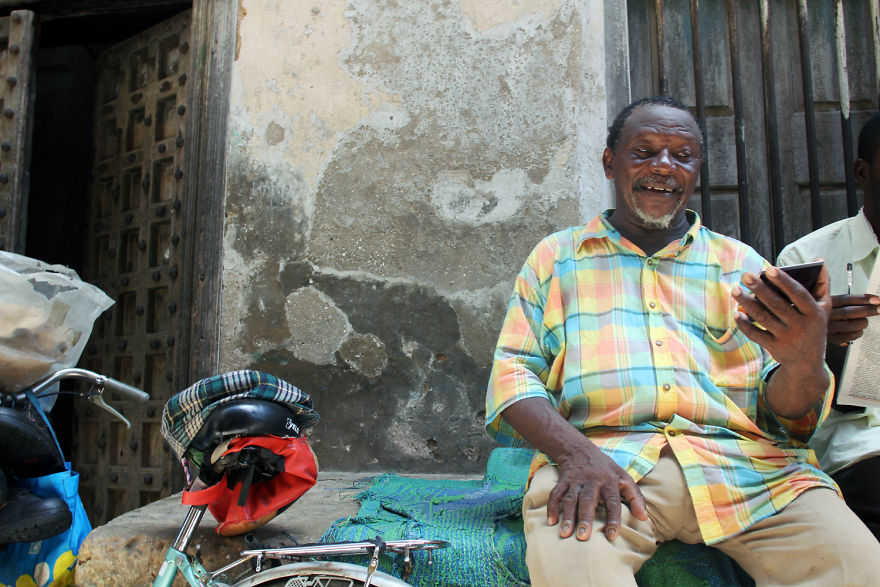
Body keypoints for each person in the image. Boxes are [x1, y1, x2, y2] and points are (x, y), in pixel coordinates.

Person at [485, 95, 880, 586]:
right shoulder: (557, 258)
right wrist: (575, 454)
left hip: (751, 471)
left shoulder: (744, 266)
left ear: (696, 170)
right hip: (607, 464)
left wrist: (803, 361)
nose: (664, 167)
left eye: (681, 155)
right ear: (611, 162)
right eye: (645, 151)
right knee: (578, 570)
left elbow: (786, 418)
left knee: (859, 567)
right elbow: (513, 375)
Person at [776, 111, 880, 541]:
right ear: (863, 171)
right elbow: (785, 400)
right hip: (861, 447)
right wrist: (824, 341)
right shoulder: (806, 260)